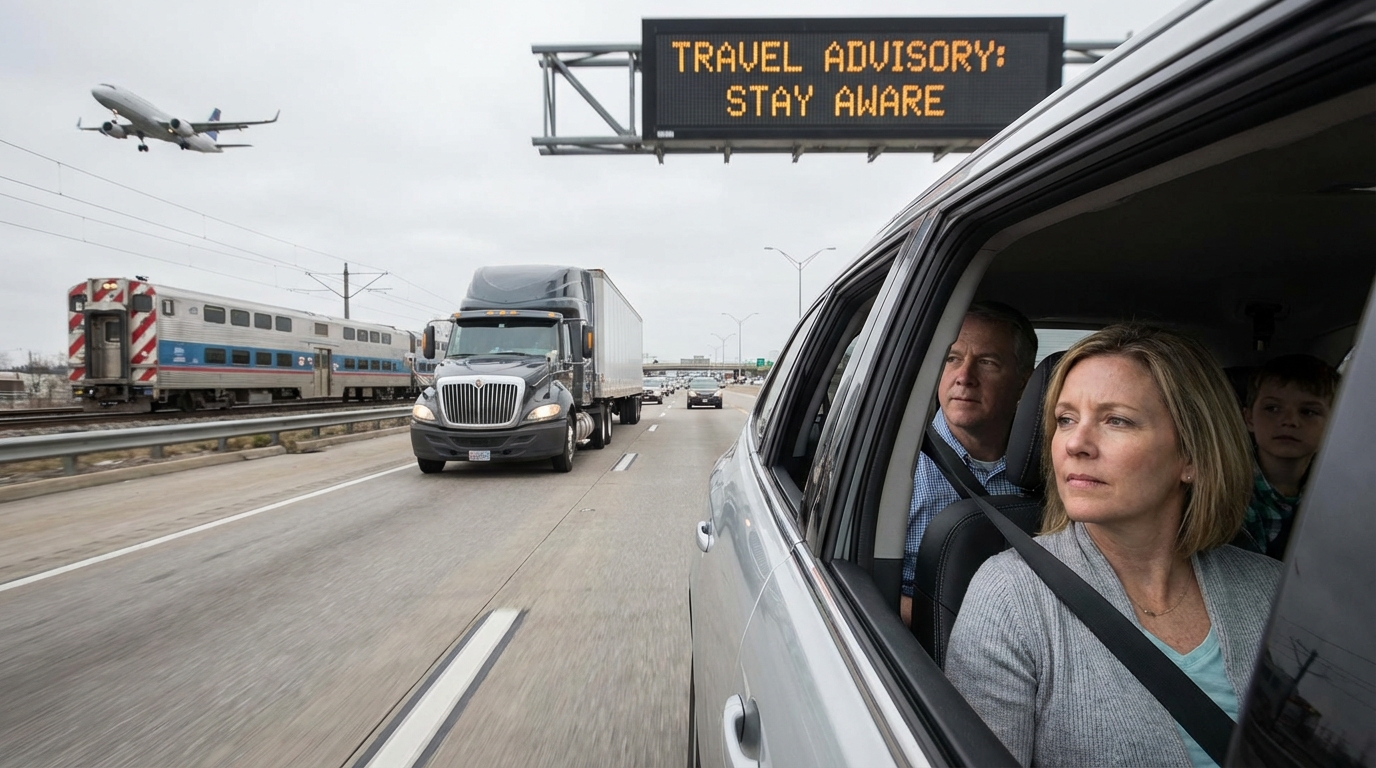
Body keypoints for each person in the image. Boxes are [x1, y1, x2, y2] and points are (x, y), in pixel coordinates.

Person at [946, 324, 1280, 768]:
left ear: (1193, 457)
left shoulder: (1272, 591)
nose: (1075, 444)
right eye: (1065, 419)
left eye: (1116, 420)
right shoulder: (1010, 595)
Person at [900, 302, 1037, 626]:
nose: (964, 377)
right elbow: (869, 588)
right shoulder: (899, 467)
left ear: (1023, 381)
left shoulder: (1057, 466)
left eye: (987, 362)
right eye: (952, 359)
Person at [1236, 354, 1339, 559]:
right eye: (1272, 408)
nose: (1290, 421)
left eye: (1308, 412)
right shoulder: (1230, 492)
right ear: (1249, 419)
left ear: (1334, 423)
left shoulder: (1337, 493)